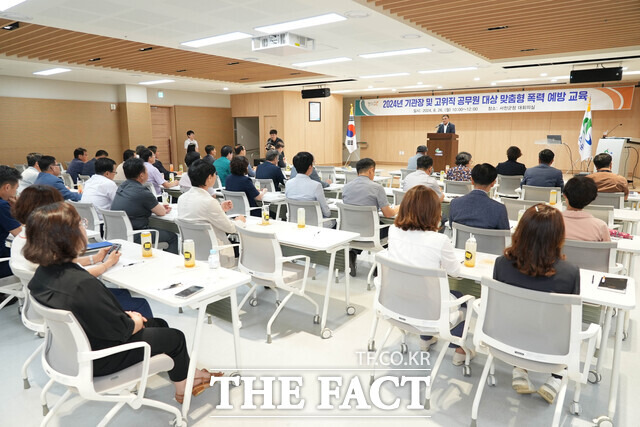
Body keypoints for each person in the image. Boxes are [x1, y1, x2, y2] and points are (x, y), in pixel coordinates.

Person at [25, 202, 212, 404]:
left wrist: (130, 319)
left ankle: (184, 372)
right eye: (80, 223)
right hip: (102, 358)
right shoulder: (82, 285)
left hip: (72, 352)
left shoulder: (42, 275)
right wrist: (135, 320)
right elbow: (122, 330)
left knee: (159, 324)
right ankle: (184, 387)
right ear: (67, 237)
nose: (84, 227)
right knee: (175, 337)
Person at [10, 185, 153, 318]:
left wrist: (94, 259)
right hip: (69, 306)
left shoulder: (26, 239)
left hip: (47, 301)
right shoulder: (41, 244)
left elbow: (60, 264)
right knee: (139, 304)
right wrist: (106, 264)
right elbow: (76, 281)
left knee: (123, 293)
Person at [493, 203, 579, 404]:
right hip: (549, 345)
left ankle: (519, 369)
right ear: (558, 236)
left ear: (520, 230)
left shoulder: (501, 264)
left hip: (506, 337)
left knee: (522, 317)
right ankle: (555, 380)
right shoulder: (569, 273)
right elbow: (568, 317)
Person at [387, 186, 473, 364]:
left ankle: (425, 339)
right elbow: (456, 273)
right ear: (433, 211)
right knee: (463, 299)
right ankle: (459, 350)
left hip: (398, 302)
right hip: (428, 309)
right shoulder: (439, 240)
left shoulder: (392, 231)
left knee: (423, 291)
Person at [177, 160, 246, 267]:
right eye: (214, 175)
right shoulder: (209, 202)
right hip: (215, 253)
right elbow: (231, 228)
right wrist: (240, 220)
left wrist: (219, 208)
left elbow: (199, 215)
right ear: (209, 178)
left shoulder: (182, 198)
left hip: (192, 252)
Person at [342, 158, 398, 276]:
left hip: (350, 233)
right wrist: (399, 207)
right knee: (394, 230)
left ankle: (353, 253)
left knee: (361, 226)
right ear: (371, 170)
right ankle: (380, 264)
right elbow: (388, 214)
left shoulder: (346, 187)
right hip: (372, 234)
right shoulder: (377, 188)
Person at [111, 158, 179, 254]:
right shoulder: (142, 191)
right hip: (136, 234)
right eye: (146, 170)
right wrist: (161, 209)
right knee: (173, 237)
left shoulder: (121, 187)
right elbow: (162, 212)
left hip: (118, 233)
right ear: (141, 175)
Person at [449, 163, 509, 230]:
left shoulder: (455, 203)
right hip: (487, 240)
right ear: (493, 183)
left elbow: (452, 228)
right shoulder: (499, 209)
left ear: (472, 180)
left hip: (461, 240)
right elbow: (504, 236)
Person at [285, 152, 334, 227]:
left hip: (294, 223)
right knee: (335, 221)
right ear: (310, 167)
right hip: (315, 224)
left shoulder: (288, 184)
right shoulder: (316, 186)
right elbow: (327, 213)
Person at [562, 176, 610, 242]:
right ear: (592, 198)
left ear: (564, 195)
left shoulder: (550, 223)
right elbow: (607, 250)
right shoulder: (600, 227)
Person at [0, 166, 22, 279]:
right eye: (16, 189)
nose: (16, 193)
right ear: (7, 187)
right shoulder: (2, 205)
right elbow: (21, 235)